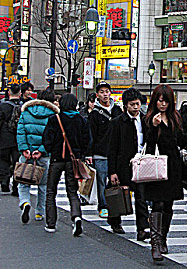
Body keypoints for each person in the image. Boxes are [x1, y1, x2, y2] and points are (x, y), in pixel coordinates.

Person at [144, 84, 187, 261]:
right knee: (157, 203)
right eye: (160, 100)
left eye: (166, 101)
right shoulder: (150, 118)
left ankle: (163, 237)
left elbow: (179, 141)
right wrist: (153, 127)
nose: (163, 104)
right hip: (157, 166)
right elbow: (148, 145)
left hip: (173, 166)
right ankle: (155, 243)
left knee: (168, 205)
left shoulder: (175, 117)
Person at [43, 93, 88, 235]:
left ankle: (51, 223)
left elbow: (46, 139)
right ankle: (76, 217)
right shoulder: (81, 120)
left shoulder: (54, 119)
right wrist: (80, 154)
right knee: (72, 191)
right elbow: (87, 140)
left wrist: (52, 150)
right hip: (73, 160)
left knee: (51, 191)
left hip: (56, 159)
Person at [107, 88, 150, 240]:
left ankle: (142, 228)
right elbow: (111, 149)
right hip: (123, 164)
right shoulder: (117, 123)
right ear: (126, 105)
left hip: (141, 163)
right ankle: (115, 221)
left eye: (137, 104)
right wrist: (112, 171)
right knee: (119, 194)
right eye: (132, 105)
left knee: (141, 197)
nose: (136, 107)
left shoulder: (145, 120)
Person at [16, 89, 59, 223]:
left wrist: (24, 149)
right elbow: (52, 137)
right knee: (44, 185)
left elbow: (20, 131)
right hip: (43, 155)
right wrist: (41, 150)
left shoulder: (26, 112)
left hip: (27, 155)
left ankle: (25, 202)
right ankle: (40, 212)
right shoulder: (53, 115)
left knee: (23, 182)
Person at [87, 81, 123, 219]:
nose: (105, 94)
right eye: (102, 92)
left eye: (107, 91)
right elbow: (91, 135)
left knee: (114, 181)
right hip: (100, 153)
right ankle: (103, 206)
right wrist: (89, 154)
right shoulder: (94, 114)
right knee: (101, 181)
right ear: (97, 95)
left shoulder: (117, 111)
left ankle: (115, 205)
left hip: (116, 152)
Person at [0, 84, 22, 195]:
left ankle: (4, 181)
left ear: (9, 93)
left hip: (4, 137)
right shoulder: (23, 106)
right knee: (17, 162)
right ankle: (16, 186)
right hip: (18, 138)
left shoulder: (2, 106)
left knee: (3, 160)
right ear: (20, 93)